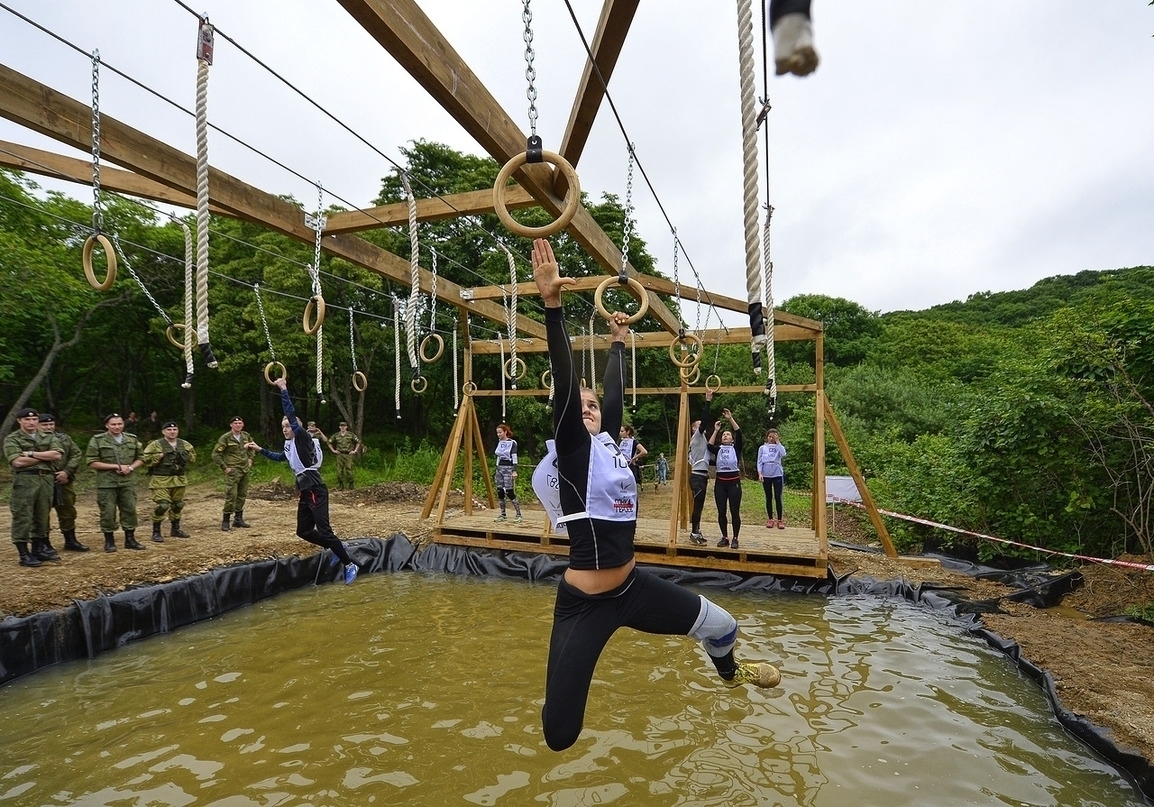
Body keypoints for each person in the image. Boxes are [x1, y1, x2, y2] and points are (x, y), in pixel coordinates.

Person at [528, 237, 779, 753]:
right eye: (583, 405)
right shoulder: (573, 452)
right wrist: (552, 307)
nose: (591, 409)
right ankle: (558, 684)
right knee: (559, 734)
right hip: (585, 604)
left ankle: (730, 675)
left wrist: (619, 339)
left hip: (634, 588)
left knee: (724, 628)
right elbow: (569, 388)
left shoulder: (612, 449)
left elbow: (613, 398)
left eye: (595, 406)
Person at [245, 378, 359, 585]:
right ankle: (333, 548)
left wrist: (284, 390)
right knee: (303, 531)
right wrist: (259, 449)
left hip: (316, 488)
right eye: (283, 426)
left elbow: (291, 414)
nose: (285, 429)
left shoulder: (302, 438)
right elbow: (281, 457)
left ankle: (349, 564)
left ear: (296, 427)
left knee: (325, 530)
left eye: (288, 425)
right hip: (305, 492)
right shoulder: (289, 444)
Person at [5, 407, 64, 567]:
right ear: (19, 421)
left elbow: (58, 455)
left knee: (42, 515)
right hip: (25, 480)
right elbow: (17, 461)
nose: (31, 422)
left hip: (45, 480)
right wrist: (45, 457)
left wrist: (30, 454)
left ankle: (38, 548)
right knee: (23, 515)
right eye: (27, 419)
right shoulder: (12, 439)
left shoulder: (47, 436)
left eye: (34, 419)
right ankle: (24, 553)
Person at [85, 412, 145, 552]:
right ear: (107, 425)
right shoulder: (98, 440)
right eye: (113, 424)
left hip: (127, 482)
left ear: (123, 424)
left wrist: (130, 467)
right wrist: (115, 467)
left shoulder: (132, 439)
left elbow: (141, 458)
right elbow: (92, 462)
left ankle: (130, 539)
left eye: (119, 424)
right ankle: (109, 541)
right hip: (107, 483)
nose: (117, 427)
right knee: (108, 511)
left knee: (129, 509)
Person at [39, 413, 88, 552]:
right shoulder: (34, 440)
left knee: (68, 510)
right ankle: (44, 542)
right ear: (37, 425)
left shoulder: (64, 438)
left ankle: (70, 540)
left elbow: (76, 454)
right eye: (44, 425)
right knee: (41, 512)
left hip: (64, 480)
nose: (48, 427)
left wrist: (67, 471)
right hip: (42, 480)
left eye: (51, 424)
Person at [142, 421, 197, 542]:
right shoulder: (156, 444)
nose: (172, 432)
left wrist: (185, 456)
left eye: (174, 430)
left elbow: (193, 457)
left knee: (178, 505)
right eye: (169, 430)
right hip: (160, 480)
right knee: (163, 505)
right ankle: (156, 531)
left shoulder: (184, 444)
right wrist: (158, 457)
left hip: (179, 479)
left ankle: (175, 529)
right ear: (163, 432)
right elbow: (145, 459)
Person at [212, 415, 255, 531]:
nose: (238, 425)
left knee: (242, 495)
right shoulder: (226, 438)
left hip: (244, 470)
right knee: (232, 495)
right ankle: (226, 520)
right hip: (233, 470)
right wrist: (224, 467)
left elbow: (252, 448)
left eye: (240, 423)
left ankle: (238, 519)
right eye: (235, 424)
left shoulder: (246, 436)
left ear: (243, 424)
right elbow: (216, 454)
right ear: (231, 425)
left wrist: (250, 459)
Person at [709, 407, 744, 549]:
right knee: (721, 511)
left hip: (734, 483)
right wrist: (716, 430)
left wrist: (730, 419)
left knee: (734, 512)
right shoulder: (718, 449)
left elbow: (739, 433)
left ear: (732, 439)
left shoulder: (736, 448)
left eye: (728, 435)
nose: (726, 436)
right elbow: (709, 446)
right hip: (720, 484)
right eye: (724, 435)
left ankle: (735, 538)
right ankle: (725, 537)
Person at [686, 390, 715, 545]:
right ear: (693, 429)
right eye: (697, 426)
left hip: (702, 477)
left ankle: (697, 531)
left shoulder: (702, 441)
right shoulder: (697, 436)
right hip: (697, 477)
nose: (701, 427)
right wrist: (708, 401)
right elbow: (704, 421)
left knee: (701, 506)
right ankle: (693, 533)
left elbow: (707, 460)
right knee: (697, 507)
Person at [768, 0, 818, 77]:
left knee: (806, 56)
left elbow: (780, 67)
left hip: (791, 19)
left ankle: (798, 62)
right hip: (794, 18)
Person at [757, 428, 788, 529]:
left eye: (773, 436)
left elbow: (783, 454)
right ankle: (770, 518)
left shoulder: (779, 447)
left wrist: (778, 442)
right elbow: (759, 461)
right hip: (766, 473)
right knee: (768, 496)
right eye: (770, 436)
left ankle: (780, 519)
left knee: (778, 496)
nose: (771, 438)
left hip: (777, 473)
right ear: (767, 437)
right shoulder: (762, 448)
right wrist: (760, 473)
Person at [492, 423, 523, 523]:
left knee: (509, 491)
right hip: (500, 468)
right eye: (497, 433)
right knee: (500, 491)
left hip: (508, 468)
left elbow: (514, 457)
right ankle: (503, 514)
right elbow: (498, 456)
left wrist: (514, 470)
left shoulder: (512, 443)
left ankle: (518, 514)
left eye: (500, 432)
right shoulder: (499, 442)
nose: (498, 434)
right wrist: (497, 468)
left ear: (505, 432)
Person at [326, 421, 361, 491]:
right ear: (339, 427)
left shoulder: (350, 435)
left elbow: (358, 442)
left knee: (349, 469)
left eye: (344, 426)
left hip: (348, 454)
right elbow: (329, 442)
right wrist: (333, 450)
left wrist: (355, 450)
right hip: (340, 454)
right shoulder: (336, 435)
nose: (343, 427)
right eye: (341, 426)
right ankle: (341, 484)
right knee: (339, 470)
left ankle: (351, 484)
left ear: (346, 427)